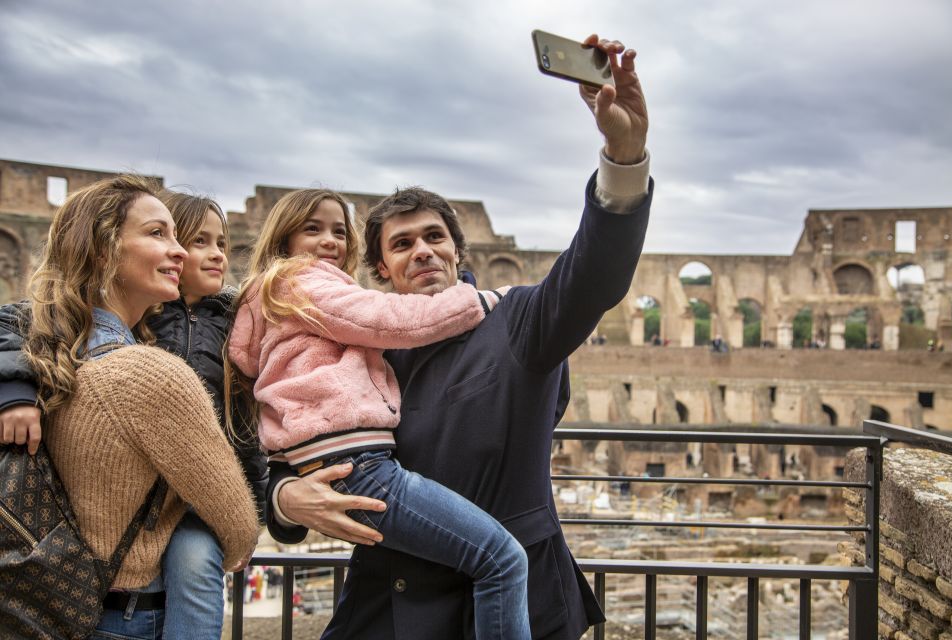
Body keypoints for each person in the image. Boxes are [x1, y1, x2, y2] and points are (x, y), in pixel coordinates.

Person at [267, 34, 652, 639]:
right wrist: (285, 499)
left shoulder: (518, 319)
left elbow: (596, 272)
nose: (421, 251)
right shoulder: (352, 344)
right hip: (388, 599)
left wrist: (623, 156)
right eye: (402, 244)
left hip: (500, 603)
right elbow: (282, 436)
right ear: (381, 271)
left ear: (456, 249)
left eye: (433, 237)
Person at [226, 187, 530, 639]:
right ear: (284, 241)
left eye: (338, 231)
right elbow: (389, 319)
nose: (330, 241)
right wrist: (483, 300)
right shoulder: (303, 282)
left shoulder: (274, 301)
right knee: (502, 559)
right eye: (313, 229)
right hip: (359, 462)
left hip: (330, 460)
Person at [0, 190, 269, 640]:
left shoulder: (52, 351)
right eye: (158, 233)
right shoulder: (150, 374)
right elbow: (238, 524)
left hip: (52, 603)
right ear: (104, 251)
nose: (181, 250)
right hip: (128, 616)